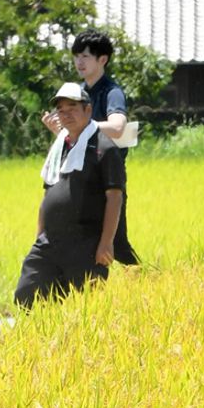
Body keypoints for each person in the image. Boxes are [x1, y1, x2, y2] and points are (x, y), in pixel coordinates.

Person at [15, 83, 124, 307]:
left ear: (88, 110)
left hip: (86, 244)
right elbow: (48, 194)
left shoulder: (105, 148)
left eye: (72, 107)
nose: (66, 114)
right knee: (27, 294)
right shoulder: (60, 146)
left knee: (86, 308)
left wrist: (106, 243)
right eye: (61, 110)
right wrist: (39, 235)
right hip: (50, 242)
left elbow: (114, 197)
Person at [43, 28, 138, 264]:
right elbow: (75, 136)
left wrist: (80, 125)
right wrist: (62, 129)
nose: (79, 62)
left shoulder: (112, 92)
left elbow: (117, 127)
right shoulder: (76, 93)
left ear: (102, 59)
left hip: (106, 174)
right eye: (76, 56)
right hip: (78, 176)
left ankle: (142, 284)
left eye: (85, 56)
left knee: (117, 240)